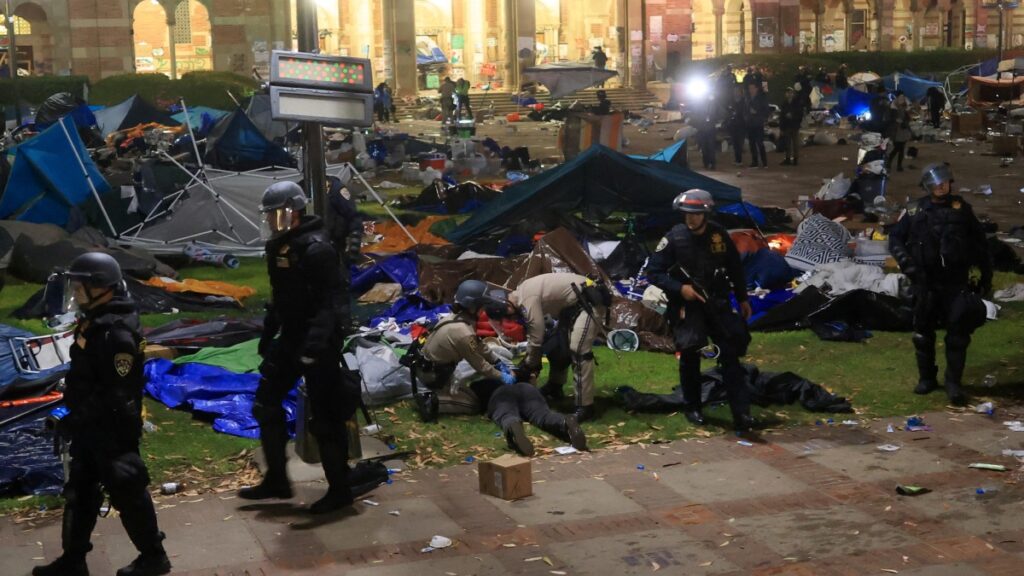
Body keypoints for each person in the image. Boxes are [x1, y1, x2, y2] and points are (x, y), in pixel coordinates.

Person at [33, 253, 170, 576]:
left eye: (81, 287)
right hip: (87, 426)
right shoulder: (95, 320)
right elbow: (85, 382)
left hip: (112, 428)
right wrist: (67, 412)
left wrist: (74, 416)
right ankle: (73, 560)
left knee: (128, 490)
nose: (76, 294)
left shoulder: (116, 333)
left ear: (102, 288)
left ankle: (154, 557)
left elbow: (114, 393)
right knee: (80, 493)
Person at [242, 181, 360, 514]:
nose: (271, 220)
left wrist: (315, 346)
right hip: (292, 336)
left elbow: (330, 303)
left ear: (294, 211)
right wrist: (269, 334)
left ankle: (340, 490)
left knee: (325, 418)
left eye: (276, 213)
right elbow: (282, 298)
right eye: (269, 215)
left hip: (318, 341)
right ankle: (277, 479)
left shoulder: (316, 247)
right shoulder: (280, 247)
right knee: (266, 403)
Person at [413, 280, 588, 456]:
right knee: (540, 413)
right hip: (436, 376)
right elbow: (480, 364)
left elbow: (481, 351)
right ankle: (563, 422)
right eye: (481, 306)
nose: (483, 310)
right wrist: (502, 374)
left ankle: (512, 425)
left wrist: (498, 363)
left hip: (496, 395)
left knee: (502, 412)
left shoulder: (456, 321)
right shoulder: (462, 331)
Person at [646, 190, 754, 434]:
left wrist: (742, 297)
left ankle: (742, 412)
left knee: (730, 353)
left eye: (695, 214)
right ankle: (692, 406)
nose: (690, 219)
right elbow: (653, 272)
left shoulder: (718, 235)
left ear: (706, 214)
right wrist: (680, 288)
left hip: (716, 302)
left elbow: (734, 266)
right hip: (688, 305)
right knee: (690, 353)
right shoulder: (674, 238)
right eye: (687, 214)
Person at [889, 164, 991, 406]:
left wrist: (985, 275)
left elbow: (980, 243)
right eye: (936, 183)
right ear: (928, 186)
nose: (941, 186)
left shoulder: (962, 210)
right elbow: (895, 240)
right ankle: (927, 378)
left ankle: (953, 382)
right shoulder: (915, 211)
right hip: (925, 282)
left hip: (955, 281)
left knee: (958, 334)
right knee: (923, 334)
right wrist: (908, 265)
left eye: (945, 182)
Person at [495, 273, 610, 423]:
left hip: (589, 302)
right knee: (558, 346)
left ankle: (585, 407)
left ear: (507, 305)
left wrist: (530, 364)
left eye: (508, 316)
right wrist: (531, 360)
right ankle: (555, 387)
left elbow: (536, 336)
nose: (511, 319)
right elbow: (535, 334)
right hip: (571, 307)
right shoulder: (521, 292)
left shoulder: (525, 300)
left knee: (579, 350)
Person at [745, 82, 769, 169]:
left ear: (756, 89)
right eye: (749, 88)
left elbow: (766, 110)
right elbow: (746, 110)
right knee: (752, 144)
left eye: (752, 88)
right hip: (750, 124)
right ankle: (754, 162)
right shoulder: (748, 98)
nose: (750, 90)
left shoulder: (761, 98)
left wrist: (757, 113)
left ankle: (764, 162)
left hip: (758, 124)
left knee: (760, 143)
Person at [779, 86, 805, 166]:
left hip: (794, 125)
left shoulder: (796, 103)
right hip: (787, 125)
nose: (789, 94)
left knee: (795, 143)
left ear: (793, 94)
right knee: (788, 143)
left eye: (790, 93)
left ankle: (795, 159)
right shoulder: (784, 103)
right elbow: (782, 116)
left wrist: (792, 116)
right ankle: (788, 158)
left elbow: (800, 114)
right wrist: (781, 128)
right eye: (787, 93)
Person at [888, 91, 912, 172]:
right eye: (900, 97)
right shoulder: (893, 107)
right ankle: (891, 163)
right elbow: (889, 118)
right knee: (898, 148)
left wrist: (904, 121)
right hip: (896, 131)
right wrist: (896, 120)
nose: (902, 98)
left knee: (901, 148)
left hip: (903, 130)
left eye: (903, 97)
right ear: (897, 97)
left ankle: (898, 165)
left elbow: (908, 118)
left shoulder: (904, 106)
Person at [694, 92, 719, 170]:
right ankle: (706, 163)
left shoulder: (713, 103)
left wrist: (713, 119)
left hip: (710, 128)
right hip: (702, 128)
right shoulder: (699, 104)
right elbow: (696, 114)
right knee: (704, 147)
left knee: (710, 147)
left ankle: (712, 163)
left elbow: (718, 113)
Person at [724, 84, 747, 167]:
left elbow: (744, 113)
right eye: (735, 91)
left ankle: (739, 160)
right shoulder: (731, 102)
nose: (736, 93)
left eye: (738, 91)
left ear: (741, 92)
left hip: (741, 125)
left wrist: (737, 114)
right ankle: (737, 159)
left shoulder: (744, 102)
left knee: (739, 143)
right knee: (735, 143)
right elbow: (728, 112)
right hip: (733, 125)